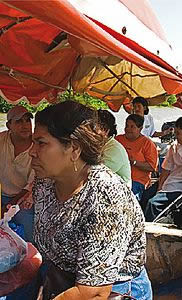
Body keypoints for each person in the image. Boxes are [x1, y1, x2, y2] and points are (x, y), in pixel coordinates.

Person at [29, 101, 152, 300]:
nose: (31, 151)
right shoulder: (45, 182)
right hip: (64, 278)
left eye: (41, 143)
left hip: (114, 290)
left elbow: (93, 293)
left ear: (74, 149)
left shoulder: (105, 197)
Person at [0, 105, 34, 242]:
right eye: (19, 121)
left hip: (24, 199)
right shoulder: (2, 139)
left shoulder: (37, 146)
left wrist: (6, 208)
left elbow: (31, 185)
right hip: (1, 194)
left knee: (28, 234)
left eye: (27, 120)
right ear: (9, 125)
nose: (25, 125)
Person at [116, 114, 158, 201]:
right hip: (117, 178)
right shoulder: (118, 140)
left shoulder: (147, 143)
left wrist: (134, 162)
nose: (128, 129)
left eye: (132, 127)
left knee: (127, 198)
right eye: (127, 126)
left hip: (137, 181)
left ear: (140, 128)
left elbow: (152, 167)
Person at [98, 109, 131, 187]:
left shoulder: (114, 149)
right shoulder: (101, 145)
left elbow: (97, 176)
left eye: (91, 128)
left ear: (105, 130)